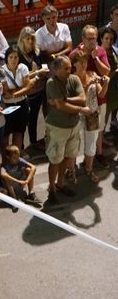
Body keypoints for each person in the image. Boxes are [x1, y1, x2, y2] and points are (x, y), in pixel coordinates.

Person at [45, 56, 91, 203]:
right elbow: (61, 106)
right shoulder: (51, 83)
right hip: (57, 127)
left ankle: (61, 183)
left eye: (70, 67)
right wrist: (80, 109)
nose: (69, 70)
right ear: (56, 69)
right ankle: (52, 188)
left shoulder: (74, 79)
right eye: (66, 68)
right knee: (55, 159)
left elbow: (83, 98)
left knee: (66, 157)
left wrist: (64, 99)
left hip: (73, 126)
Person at [70, 25, 110, 167]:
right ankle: (72, 167)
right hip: (79, 104)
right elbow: (69, 76)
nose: (93, 41)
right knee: (77, 137)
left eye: (94, 38)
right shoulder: (75, 54)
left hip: (97, 100)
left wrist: (95, 58)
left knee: (97, 131)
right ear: (83, 38)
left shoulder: (100, 51)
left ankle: (97, 155)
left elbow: (106, 72)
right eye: (89, 38)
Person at [71, 51, 109, 183]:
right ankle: (71, 171)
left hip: (92, 114)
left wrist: (106, 83)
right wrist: (87, 86)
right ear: (74, 64)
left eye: (85, 61)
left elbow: (101, 94)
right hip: (77, 115)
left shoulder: (92, 74)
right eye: (80, 62)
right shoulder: (72, 79)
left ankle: (89, 169)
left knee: (91, 143)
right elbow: (80, 99)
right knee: (75, 144)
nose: (84, 64)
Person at [16, 26, 49, 149]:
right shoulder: (18, 55)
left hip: (38, 90)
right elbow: (20, 75)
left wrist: (43, 70)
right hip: (25, 93)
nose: (30, 41)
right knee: (22, 121)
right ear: (22, 40)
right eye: (28, 39)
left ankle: (33, 142)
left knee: (34, 118)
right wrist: (37, 72)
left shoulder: (37, 51)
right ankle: (20, 147)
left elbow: (42, 65)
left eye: (32, 39)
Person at [1, 45, 34, 154]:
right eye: (11, 57)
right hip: (7, 106)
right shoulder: (2, 71)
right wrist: (22, 89)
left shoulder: (23, 68)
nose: (13, 60)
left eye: (16, 57)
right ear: (7, 58)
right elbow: (5, 92)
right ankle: (6, 160)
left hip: (21, 104)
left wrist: (14, 95)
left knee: (19, 133)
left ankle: (16, 159)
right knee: (5, 135)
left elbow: (28, 88)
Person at [98, 25, 118, 130]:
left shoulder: (114, 51)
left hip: (115, 88)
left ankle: (110, 129)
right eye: (106, 38)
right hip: (104, 89)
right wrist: (115, 72)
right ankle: (102, 137)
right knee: (103, 117)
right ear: (101, 39)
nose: (109, 41)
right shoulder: (98, 53)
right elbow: (100, 75)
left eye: (111, 39)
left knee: (113, 110)